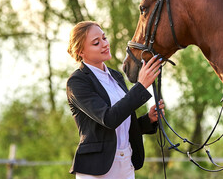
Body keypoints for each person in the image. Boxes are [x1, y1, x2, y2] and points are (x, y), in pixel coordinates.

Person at [66, 21, 164, 179]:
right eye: (96, 42)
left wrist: (148, 120)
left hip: (126, 165)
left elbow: (122, 127)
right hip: (97, 170)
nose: (104, 44)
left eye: (104, 38)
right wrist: (141, 86)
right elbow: (109, 119)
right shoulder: (77, 82)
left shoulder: (116, 76)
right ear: (80, 51)